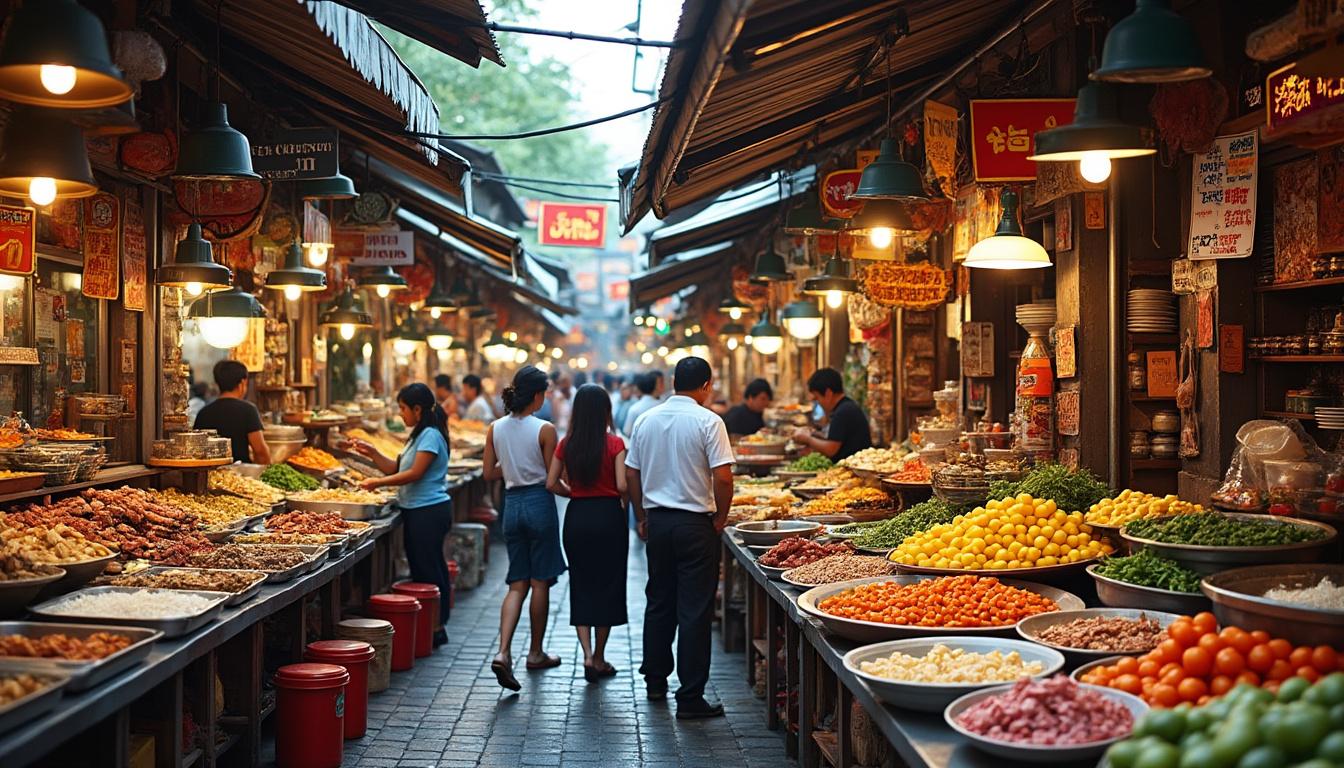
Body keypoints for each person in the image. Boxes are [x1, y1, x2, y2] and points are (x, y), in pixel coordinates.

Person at [625, 357, 734, 719]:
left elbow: (631, 473)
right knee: (694, 610)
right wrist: (720, 516)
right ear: (705, 385)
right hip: (694, 525)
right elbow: (723, 478)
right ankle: (689, 697)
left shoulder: (646, 419)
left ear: (673, 382)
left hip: (658, 523)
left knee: (659, 601)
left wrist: (641, 516)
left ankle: (655, 681)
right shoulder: (709, 421)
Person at [348, 383, 453, 644]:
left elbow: (415, 473)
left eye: (403, 408)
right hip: (419, 509)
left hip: (428, 511)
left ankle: (436, 627)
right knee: (429, 565)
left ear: (417, 409)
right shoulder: (419, 435)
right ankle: (435, 624)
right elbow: (396, 466)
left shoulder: (429, 434)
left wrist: (377, 484)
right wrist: (372, 453)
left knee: (428, 568)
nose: (401, 414)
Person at [482, 366, 565, 691]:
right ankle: (535, 652)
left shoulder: (495, 428)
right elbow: (552, 476)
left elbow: (489, 473)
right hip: (539, 503)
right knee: (540, 581)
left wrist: (512, 462)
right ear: (537, 396)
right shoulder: (545, 429)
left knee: (517, 584)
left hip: (512, 505)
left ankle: (503, 652)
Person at [545, 384, 629, 683]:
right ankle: (600, 657)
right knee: (608, 584)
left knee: (581, 583)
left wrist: (574, 493)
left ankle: (586, 654)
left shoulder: (567, 444)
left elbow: (551, 483)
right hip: (608, 517)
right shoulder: (616, 444)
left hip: (578, 517)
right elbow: (621, 485)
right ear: (606, 412)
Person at [193, 360, 271, 464]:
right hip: (241, 476)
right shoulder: (248, 410)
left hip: (210, 476)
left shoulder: (203, 413)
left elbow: (195, 451)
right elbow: (260, 451)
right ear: (242, 383)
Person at [793, 367, 872, 462]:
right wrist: (814, 435)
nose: (818, 403)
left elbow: (831, 449)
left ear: (828, 393)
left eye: (817, 398)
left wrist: (808, 439)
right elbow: (835, 438)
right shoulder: (845, 407)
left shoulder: (843, 411)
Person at [621, 370, 664, 437]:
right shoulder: (662, 406)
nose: (663, 385)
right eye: (661, 382)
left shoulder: (635, 408)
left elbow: (627, 432)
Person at [551, 371, 574, 436]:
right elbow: (555, 414)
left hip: (569, 427)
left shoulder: (573, 392)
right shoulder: (557, 395)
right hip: (560, 427)